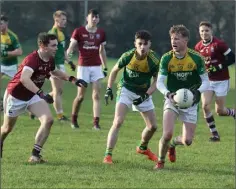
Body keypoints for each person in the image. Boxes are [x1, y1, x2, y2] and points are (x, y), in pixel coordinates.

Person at [0, 33, 87, 163]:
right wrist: (41, 93)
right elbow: (24, 79)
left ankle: (35, 156)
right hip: (16, 96)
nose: (56, 48)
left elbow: (54, 72)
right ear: (43, 46)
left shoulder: (50, 59)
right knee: (7, 129)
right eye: (53, 45)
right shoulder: (32, 59)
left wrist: (72, 79)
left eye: (56, 45)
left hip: (33, 95)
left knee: (48, 120)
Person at [154, 25, 210, 170]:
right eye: (172, 38)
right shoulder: (167, 58)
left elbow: (206, 81)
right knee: (166, 134)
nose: (174, 41)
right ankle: (160, 162)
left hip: (191, 102)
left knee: (188, 141)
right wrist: (167, 94)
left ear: (186, 40)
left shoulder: (196, 58)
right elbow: (159, 82)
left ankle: (173, 145)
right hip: (172, 99)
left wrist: (197, 93)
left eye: (177, 38)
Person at [102, 30, 160, 164]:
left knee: (153, 127)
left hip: (143, 93)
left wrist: (146, 95)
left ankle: (142, 147)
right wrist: (109, 89)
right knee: (118, 121)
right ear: (135, 44)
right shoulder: (128, 56)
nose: (142, 47)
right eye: (140, 44)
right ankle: (108, 155)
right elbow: (114, 71)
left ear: (150, 44)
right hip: (126, 90)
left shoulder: (154, 60)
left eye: (145, 44)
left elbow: (157, 81)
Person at [67, 8, 107, 130]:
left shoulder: (101, 33)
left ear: (99, 19)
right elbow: (72, 46)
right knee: (80, 96)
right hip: (83, 67)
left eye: (97, 17)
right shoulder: (78, 31)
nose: (94, 19)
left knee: (96, 95)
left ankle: (96, 123)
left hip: (96, 67)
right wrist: (69, 53)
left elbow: (102, 50)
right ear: (87, 18)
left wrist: (105, 66)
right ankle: (74, 119)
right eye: (92, 16)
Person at [195, 21, 235, 142]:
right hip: (207, 81)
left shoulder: (219, 44)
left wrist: (218, 67)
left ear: (211, 31)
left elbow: (232, 58)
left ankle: (233, 112)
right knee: (205, 106)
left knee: (220, 111)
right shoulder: (198, 47)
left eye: (206, 30)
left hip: (222, 80)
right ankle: (215, 135)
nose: (204, 33)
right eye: (202, 31)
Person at [47, 10, 76, 121]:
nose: (65, 22)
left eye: (65, 19)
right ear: (56, 20)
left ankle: (38, 100)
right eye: (63, 19)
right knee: (57, 91)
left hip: (60, 64)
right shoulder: (52, 33)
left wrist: (69, 62)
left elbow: (62, 50)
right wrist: (50, 66)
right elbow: (49, 51)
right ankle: (60, 116)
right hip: (54, 65)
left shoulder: (61, 33)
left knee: (58, 91)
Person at [0, 15, 23, 110]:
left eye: (1, 24)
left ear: (6, 23)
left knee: (20, 86)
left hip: (11, 66)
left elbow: (19, 51)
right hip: (1, 64)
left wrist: (6, 53)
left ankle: (29, 105)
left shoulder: (12, 37)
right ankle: (1, 103)